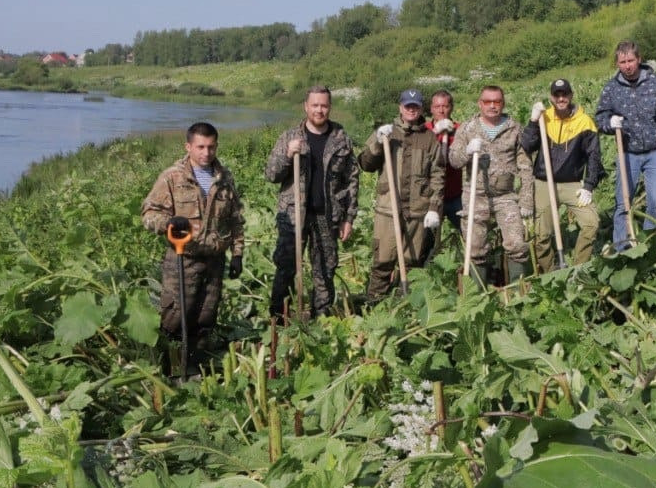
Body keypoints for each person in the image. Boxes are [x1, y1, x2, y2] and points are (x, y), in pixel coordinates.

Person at [141, 122, 244, 374]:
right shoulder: (173, 177)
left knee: (206, 317)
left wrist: (238, 254)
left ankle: (195, 367)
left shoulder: (224, 178)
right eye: (200, 147)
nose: (206, 153)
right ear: (188, 147)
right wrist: (168, 223)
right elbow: (148, 213)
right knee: (176, 315)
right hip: (183, 259)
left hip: (215, 260)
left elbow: (235, 219)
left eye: (211, 147)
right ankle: (169, 368)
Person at [263, 86, 360, 319]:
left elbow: (352, 179)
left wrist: (349, 217)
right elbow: (271, 174)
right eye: (315, 105)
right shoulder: (290, 137)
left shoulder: (340, 139)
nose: (319, 110)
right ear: (306, 107)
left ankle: (322, 317)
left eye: (324, 105)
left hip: (327, 215)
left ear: (330, 107)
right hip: (294, 215)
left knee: (325, 269)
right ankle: (279, 318)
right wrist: (287, 155)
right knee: (286, 267)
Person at [359, 89, 444, 299]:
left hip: (417, 211)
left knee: (413, 263)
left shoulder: (429, 138)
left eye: (415, 106)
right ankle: (376, 305)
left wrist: (434, 208)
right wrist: (378, 143)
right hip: (388, 210)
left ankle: (404, 306)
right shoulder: (388, 134)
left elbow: (438, 176)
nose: (411, 110)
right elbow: (365, 164)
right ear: (400, 108)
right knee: (382, 261)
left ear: (421, 109)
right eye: (408, 106)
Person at [596, 41, 656, 251]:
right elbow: (600, 118)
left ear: (639, 59)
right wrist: (609, 123)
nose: (627, 66)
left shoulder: (655, 83)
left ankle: (650, 245)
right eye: (622, 62)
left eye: (631, 60)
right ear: (617, 63)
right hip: (628, 153)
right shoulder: (611, 88)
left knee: (655, 201)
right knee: (623, 203)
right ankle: (621, 249)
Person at [449, 85, 533, 283]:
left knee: (517, 244)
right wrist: (467, 152)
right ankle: (477, 295)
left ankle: (517, 292)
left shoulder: (514, 128)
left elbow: (525, 166)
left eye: (497, 102)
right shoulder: (468, 128)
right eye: (488, 102)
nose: (493, 106)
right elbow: (454, 160)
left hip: (506, 196)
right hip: (475, 195)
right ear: (480, 104)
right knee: (475, 247)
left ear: (503, 104)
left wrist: (527, 200)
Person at [520, 78, 603, 271]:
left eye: (564, 94)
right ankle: (550, 273)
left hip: (572, 184)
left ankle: (578, 269)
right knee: (542, 234)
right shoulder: (544, 118)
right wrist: (533, 121)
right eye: (557, 95)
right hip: (544, 182)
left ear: (571, 95)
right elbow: (527, 145)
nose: (561, 98)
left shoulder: (584, 122)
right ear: (551, 97)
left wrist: (589, 186)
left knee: (592, 224)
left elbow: (594, 157)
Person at [423, 89, 463, 258]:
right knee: (425, 240)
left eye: (445, 106)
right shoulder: (424, 131)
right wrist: (434, 134)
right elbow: (418, 154)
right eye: (437, 106)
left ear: (451, 108)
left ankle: (469, 267)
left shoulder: (460, 130)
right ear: (431, 109)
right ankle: (425, 271)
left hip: (455, 195)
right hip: (430, 197)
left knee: (469, 232)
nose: (441, 110)